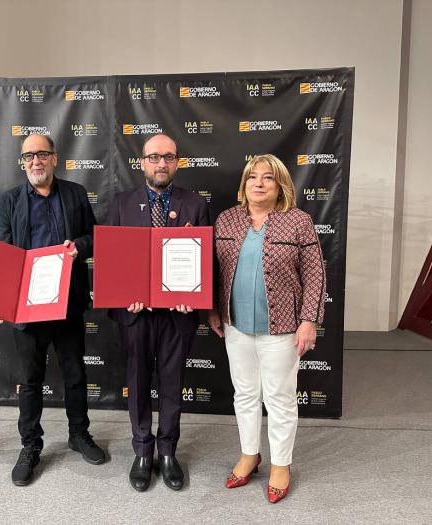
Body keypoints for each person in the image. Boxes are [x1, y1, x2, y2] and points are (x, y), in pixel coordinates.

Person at [0, 133, 105, 486]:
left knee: (75, 375)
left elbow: (94, 236)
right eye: (28, 156)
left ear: (55, 158)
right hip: (27, 307)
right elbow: (3, 253)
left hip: (68, 302)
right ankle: (30, 444)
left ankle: (79, 435)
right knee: (31, 381)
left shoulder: (76, 194)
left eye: (42, 154)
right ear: (22, 162)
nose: (35, 161)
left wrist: (76, 247)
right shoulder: (8, 201)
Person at [208, 154, 325, 503]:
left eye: (268, 178)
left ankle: (281, 464)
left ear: (280, 185)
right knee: (244, 393)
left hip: (284, 327)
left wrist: (309, 320)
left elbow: (315, 273)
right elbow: (213, 270)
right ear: (244, 185)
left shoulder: (298, 221)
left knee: (279, 398)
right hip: (236, 325)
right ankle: (249, 454)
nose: (259, 183)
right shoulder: (226, 220)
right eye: (252, 177)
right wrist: (213, 309)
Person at [106, 134, 210, 491]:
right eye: (154, 157)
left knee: (171, 383)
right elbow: (112, 260)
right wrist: (124, 295)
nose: (161, 164)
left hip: (177, 314)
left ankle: (167, 451)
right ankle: (142, 451)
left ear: (177, 162)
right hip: (135, 314)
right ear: (142, 162)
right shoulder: (120, 204)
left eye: (168, 157)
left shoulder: (195, 204)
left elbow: (204, 259)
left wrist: (191, 295)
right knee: (136, 382)